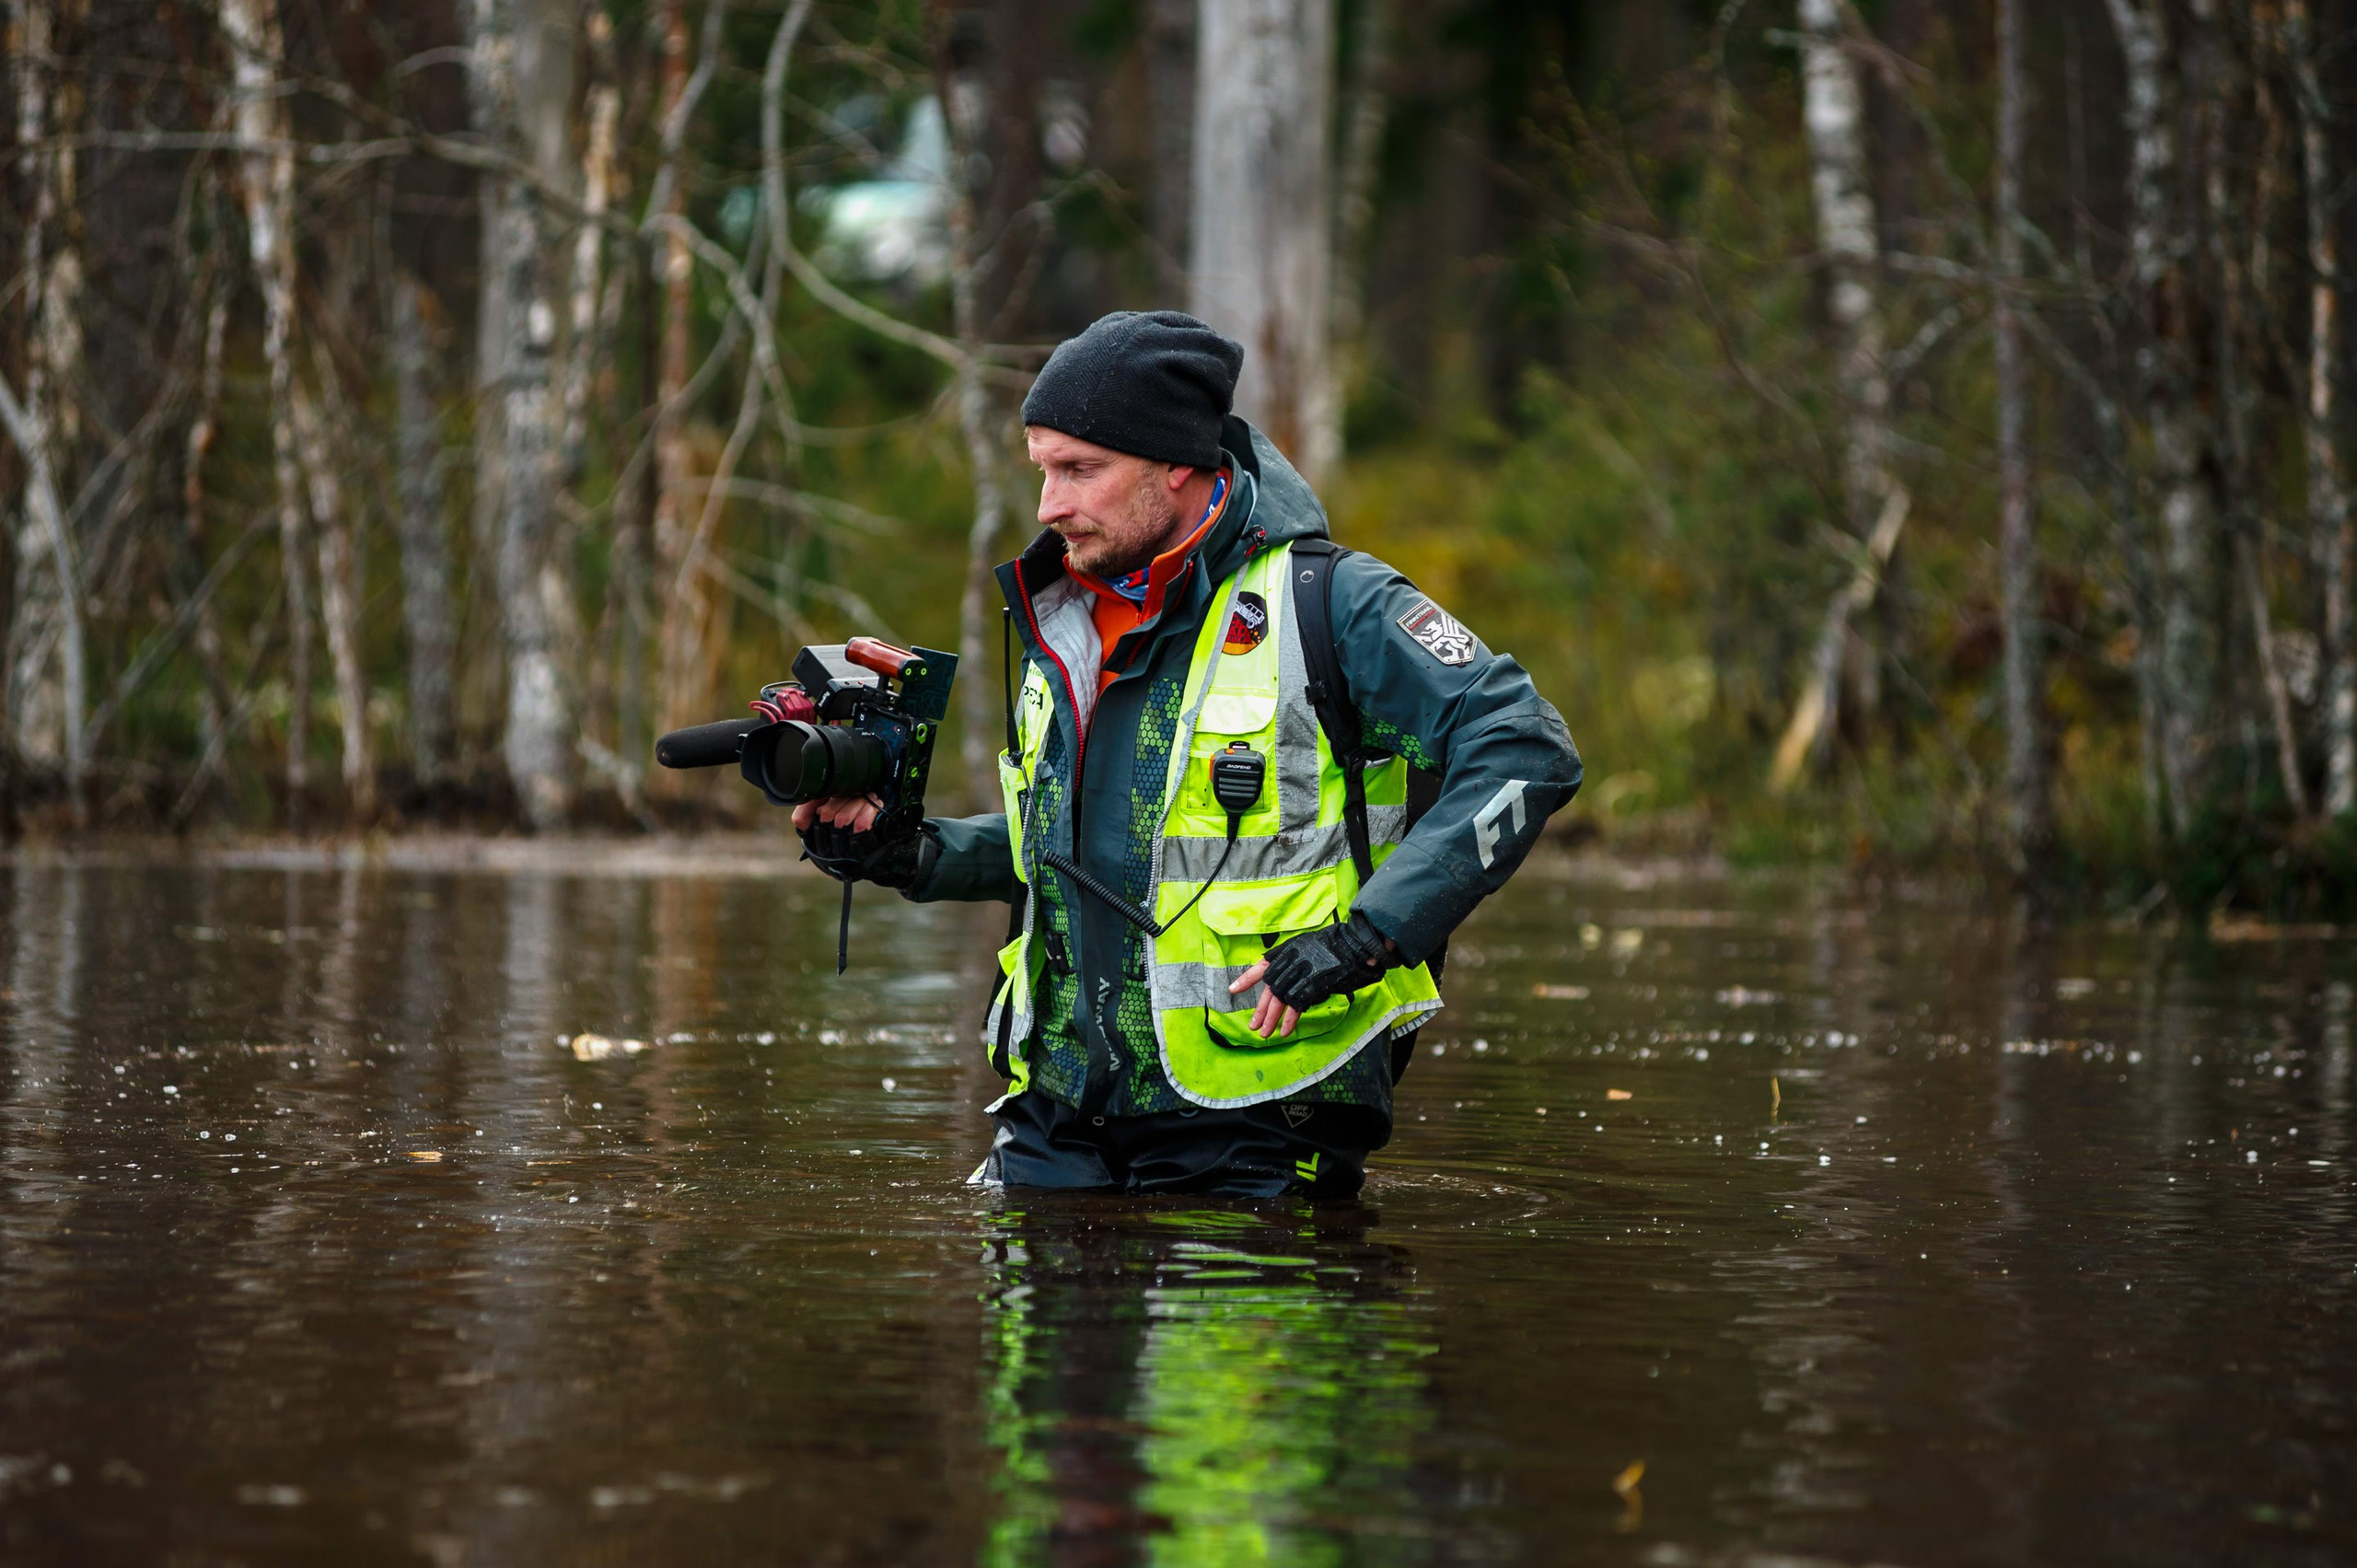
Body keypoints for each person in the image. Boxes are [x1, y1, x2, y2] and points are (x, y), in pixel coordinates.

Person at [795, 309, 1582, 1198]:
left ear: (1177, 464)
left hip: (1260, 1115)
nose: (1051, 505)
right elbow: (1070, 851)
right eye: (1043, 469)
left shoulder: (1332, 603)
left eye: (1081, 470)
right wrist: (913, 853)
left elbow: (1526, 747)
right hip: (1056, 1115)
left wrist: (1368, 938)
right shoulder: (1059, 615)